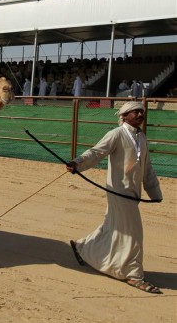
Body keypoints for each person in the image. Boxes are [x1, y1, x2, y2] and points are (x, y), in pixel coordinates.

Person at [66, 101, 163, 294]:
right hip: (118, 191)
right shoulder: (116, 134)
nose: (139, 114)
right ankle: (133, 274)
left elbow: (147, 168)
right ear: (124, 115)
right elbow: (97, 152)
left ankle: (82, 248)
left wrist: (155, 192)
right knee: (133, 233)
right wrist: (78, 163)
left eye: (141, 111)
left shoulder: (142, 138)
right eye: (135, 111)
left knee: (113, 227)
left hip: (133, 193)